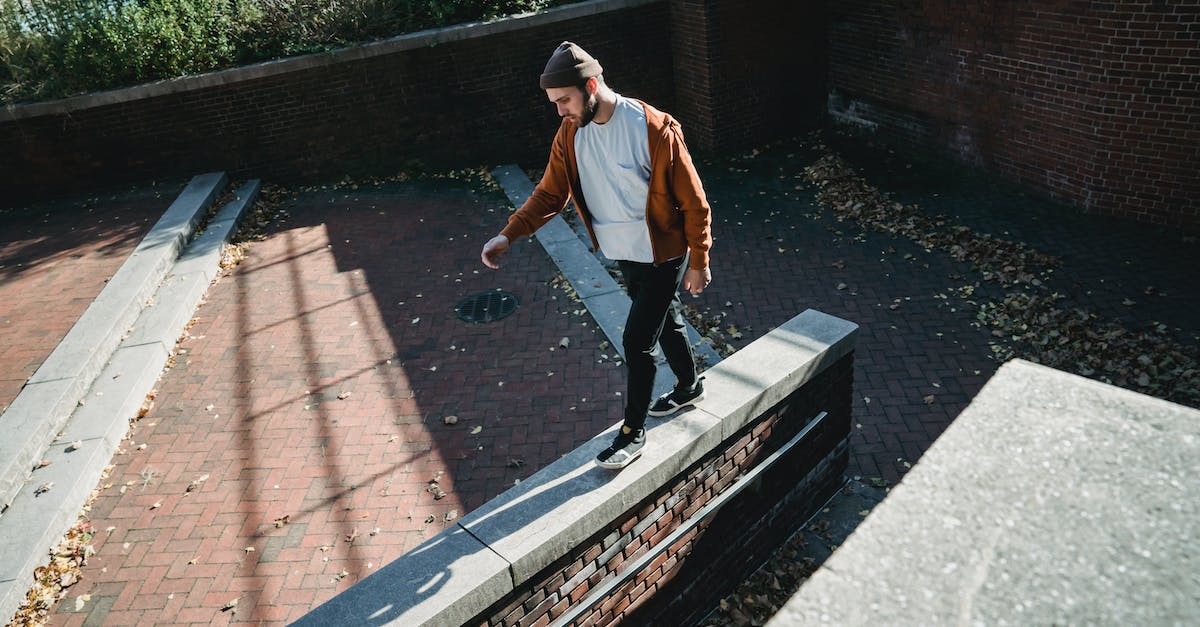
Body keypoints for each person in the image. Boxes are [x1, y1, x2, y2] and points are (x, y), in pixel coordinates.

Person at [481, 41, 713, 470]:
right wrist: (508, 235)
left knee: (637, 340)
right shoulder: (570, 135)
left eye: (564, 100)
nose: (559, 111)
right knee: (668, 320)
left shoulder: (654, 128)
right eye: (554, 103)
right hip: (624, 254)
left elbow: (695, 203)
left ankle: (631, 434)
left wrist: (699, 259)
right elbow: (551, 194)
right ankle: (689, 387)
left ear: (591, 86)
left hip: (664, 253)